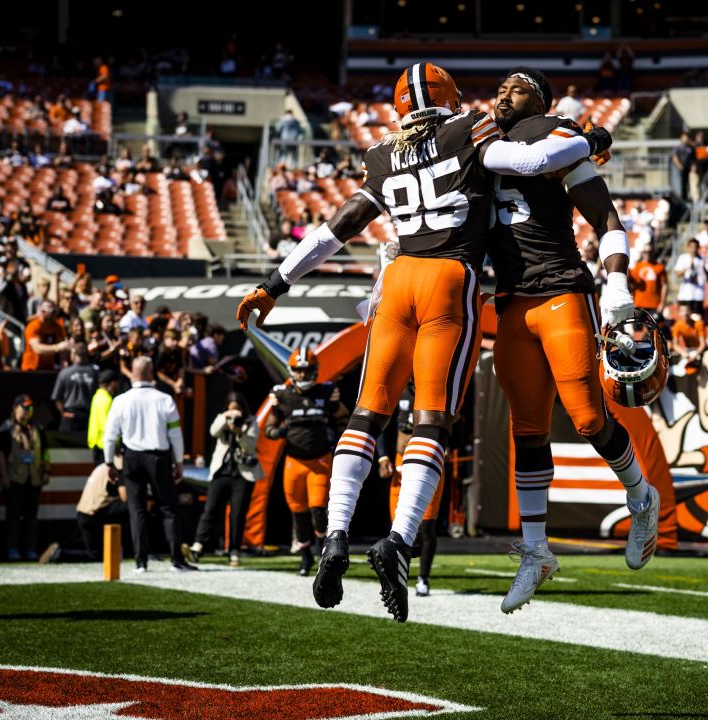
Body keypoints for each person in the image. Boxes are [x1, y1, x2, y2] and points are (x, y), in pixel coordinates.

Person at [235, 61, 613, 622]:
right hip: (447, 278)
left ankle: (336, 534)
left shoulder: (381, 155)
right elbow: (534, 159)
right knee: (432, 419)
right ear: (449, 98)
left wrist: (275, 282)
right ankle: (399, 540)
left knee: (368, 413)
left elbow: (336, 228)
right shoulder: (468, 131)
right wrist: (592, 138)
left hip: (396, 280)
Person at [481, 67, 660, 613]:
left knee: (585, 416)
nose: (501, 96)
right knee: (527, 429)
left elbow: (605, 216)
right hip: (510, 299)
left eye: (515, 89)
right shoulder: (479, 144)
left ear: (540, 99)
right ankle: (536, 552)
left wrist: (618, 283)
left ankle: (640, 495)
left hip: (559, 287)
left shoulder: (557, 135)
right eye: (500, 89)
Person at [102, 356, 195, 572]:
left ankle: (140, 562)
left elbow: (109, 436)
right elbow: (176, 434)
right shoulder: (164, 399)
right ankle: (175, 560)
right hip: (158, 457)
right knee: (169, 508)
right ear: (151, 372)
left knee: (137, 510)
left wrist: (109, 462)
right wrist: (179, 461)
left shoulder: (120, 401)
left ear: (133, 373)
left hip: (132, 457)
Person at [263, 350, 348, 575]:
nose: (302, 374)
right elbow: (268, 428)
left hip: (320, 460)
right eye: (299, 370)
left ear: (314, 371)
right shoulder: (282, 395)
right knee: (298, 512)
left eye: (306, 370)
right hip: (294, 461)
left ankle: (321, 550)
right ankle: (305, 556)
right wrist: (279, 431)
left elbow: (344, 418)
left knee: (318, 508)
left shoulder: (327, 391)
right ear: (292, 371)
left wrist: (336, 436)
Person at [379, 380, 445, 597]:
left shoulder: (441, 390)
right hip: (401, 462)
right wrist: (383, 457)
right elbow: (380, 424)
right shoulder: (400, 391)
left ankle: (423, 577)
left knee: (426, 525)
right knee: (397, 526)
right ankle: (398, 577)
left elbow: (457, 424)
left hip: (428, 462)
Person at [186, 392, 261, 568]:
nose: (235, 414)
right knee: (210, 509)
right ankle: (198, 545)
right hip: (221, 472)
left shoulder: (250, 422)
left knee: (237, 514)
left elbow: (251, 445)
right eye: (231, 409)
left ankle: (234, 551)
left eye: (238, 410)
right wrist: (224, 418)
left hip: (242, 474)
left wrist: (240, 432)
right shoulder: (222, 419)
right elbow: (213, 432)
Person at [0, 395, 49, 561]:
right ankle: (12, 547)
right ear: (15, 408)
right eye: (25, 408)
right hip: (14, 478)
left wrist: (47, 470)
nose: (28, 411)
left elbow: (45, 451)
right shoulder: (7, 428)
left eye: (30, 408)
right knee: (14, 515)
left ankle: (31, 548)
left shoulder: (36, 427)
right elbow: (0, 454)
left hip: (34, 478)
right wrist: (3, 475)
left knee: (32, 516)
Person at [41, 459, 129, 563]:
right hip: (93, 514)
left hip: (84, 513)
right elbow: (125, 497)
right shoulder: (115, 470)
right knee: (132, 509)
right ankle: (59, 553)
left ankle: (58, 553)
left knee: (95, 554)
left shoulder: (101, 467)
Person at [52, 346, 98, 433]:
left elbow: (56, 398)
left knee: (67, 444)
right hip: (89, 415)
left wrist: (63, 412)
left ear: (73, 355)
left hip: (70, 415)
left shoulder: (65, 373)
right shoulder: (95, 373)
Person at [21, 299, 68, 371]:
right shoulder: (33, 326)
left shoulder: (57, 326)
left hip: (48, 368)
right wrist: (57, 347)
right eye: (50, 309)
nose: (53, 312)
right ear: (41, 311)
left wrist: (64, 364)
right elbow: (38, 349)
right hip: (31, 368)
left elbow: (63, 349)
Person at [87, 370, 122, 466]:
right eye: (117, 383)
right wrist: (115, 446)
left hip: (96, 444)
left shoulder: (97, 396)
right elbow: (107, 427)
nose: (118, 386)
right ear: (112, 383)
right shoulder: (107, 400)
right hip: (106, 447)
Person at [629, 245, 668, 314]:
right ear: (642, 253)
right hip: (638, 305)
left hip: (654, 305)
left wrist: (662, 303)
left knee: (654, 324)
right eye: (645, 252)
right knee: (638, 324)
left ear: (653, 252)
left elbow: (664, 286)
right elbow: (631, 285)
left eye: (650, 252)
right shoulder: (636, 267)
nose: (647, 254)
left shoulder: (660, 267)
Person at [673, 239, 707, 315]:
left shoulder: (702, 259)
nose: (693, 250)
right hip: (685, 294)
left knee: (696, 318)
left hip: (698, 294)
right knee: (684, 317)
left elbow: (707, 275)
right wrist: (688, 267)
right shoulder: (683, 258)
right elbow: (677, 274)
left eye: (695, 247)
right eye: (691, 247)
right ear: (688, 247)